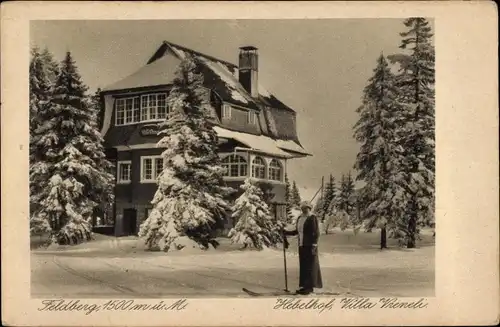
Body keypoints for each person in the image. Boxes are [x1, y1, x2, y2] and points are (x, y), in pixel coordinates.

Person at [283, 201, 323, 295]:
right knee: (304, 266)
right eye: (303, 208)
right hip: (302, 245)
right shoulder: (300, 218)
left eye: (306, 208)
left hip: (310, 246)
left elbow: (316, 233)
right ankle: (304, 286)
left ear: (309, 208)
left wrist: (314, 245)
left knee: (310, 267)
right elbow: (297, 231)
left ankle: (309, 288)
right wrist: (286, 232)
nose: (304, 209)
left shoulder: (312, 218)